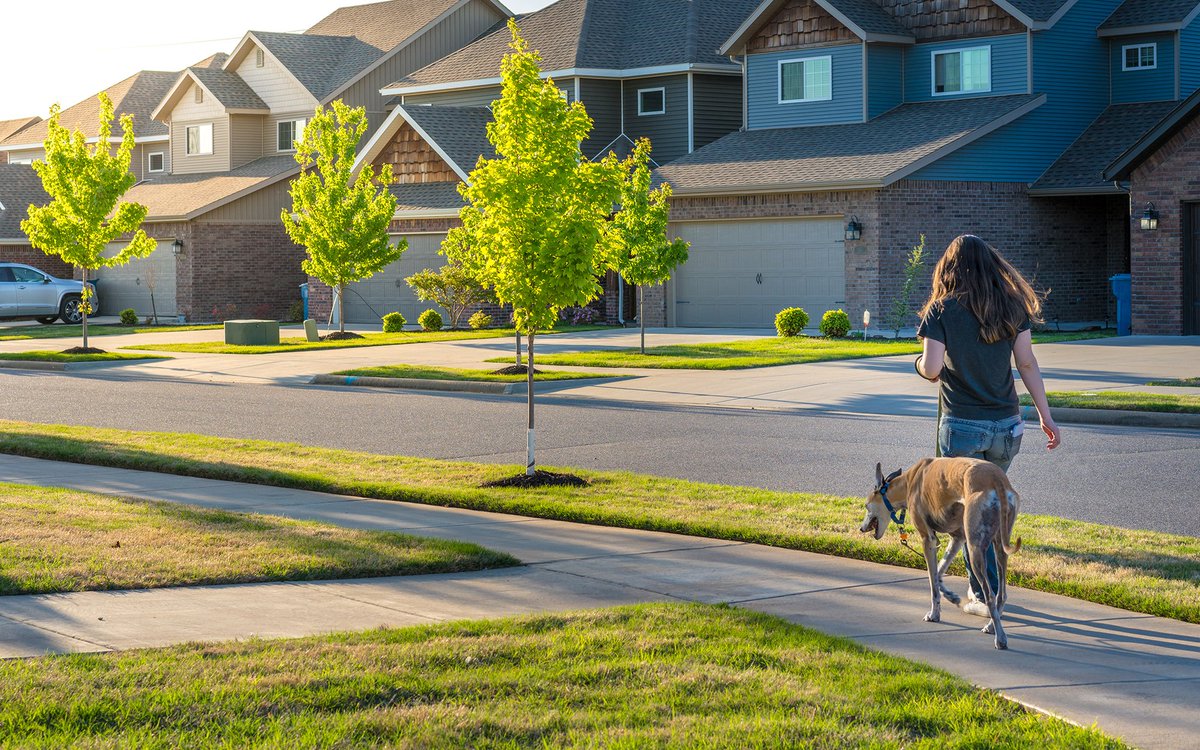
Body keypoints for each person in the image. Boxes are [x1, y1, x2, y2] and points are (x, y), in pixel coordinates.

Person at [913, 234, 1061, 617]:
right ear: (993, 266)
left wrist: (919, 365)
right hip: (1007, 429)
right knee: (988, 511)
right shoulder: (1011, 306)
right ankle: (987, 588)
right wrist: (1046, 415)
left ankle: (985, 593)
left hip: (961, 425)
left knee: (969, 517)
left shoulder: (941, 310)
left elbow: (930, 368)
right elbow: (1026, 364)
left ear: (949, 268)